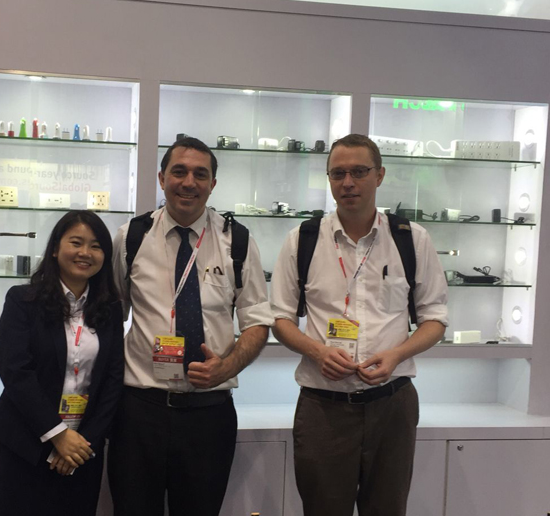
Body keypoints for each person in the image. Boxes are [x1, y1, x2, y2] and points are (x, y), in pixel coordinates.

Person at [271, 134, 448, 516]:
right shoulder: (302, 239)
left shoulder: (412, 239)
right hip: (323, 407)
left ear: (379, 175)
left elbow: (435, 319)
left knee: (387, 509)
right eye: (338, 174)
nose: (348, 182)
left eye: (359, 172)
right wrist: (317, 352)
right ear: (329, 179)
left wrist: (397, 355)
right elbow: (281, 319)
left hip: (392, 404)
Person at [107, 137, 274, 516]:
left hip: (208, 414)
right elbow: (109, 317)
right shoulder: (131, 237)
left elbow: (257, 322)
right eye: (179, 172)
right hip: (139, 413)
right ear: (161, 177)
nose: (188, 182)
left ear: (212, 184)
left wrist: (227, 367)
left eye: (200, 174)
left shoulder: (237, 241)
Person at [0, 210, 124, 516]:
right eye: (76, 242)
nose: (85, 252)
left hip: (83, 447)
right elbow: (15, 370)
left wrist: (83, 442)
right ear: (55, 248)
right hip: (29, 441)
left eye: (96, 246)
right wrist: (57, 434)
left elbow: (114, 378)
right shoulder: (23, 300)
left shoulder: (110, 308)